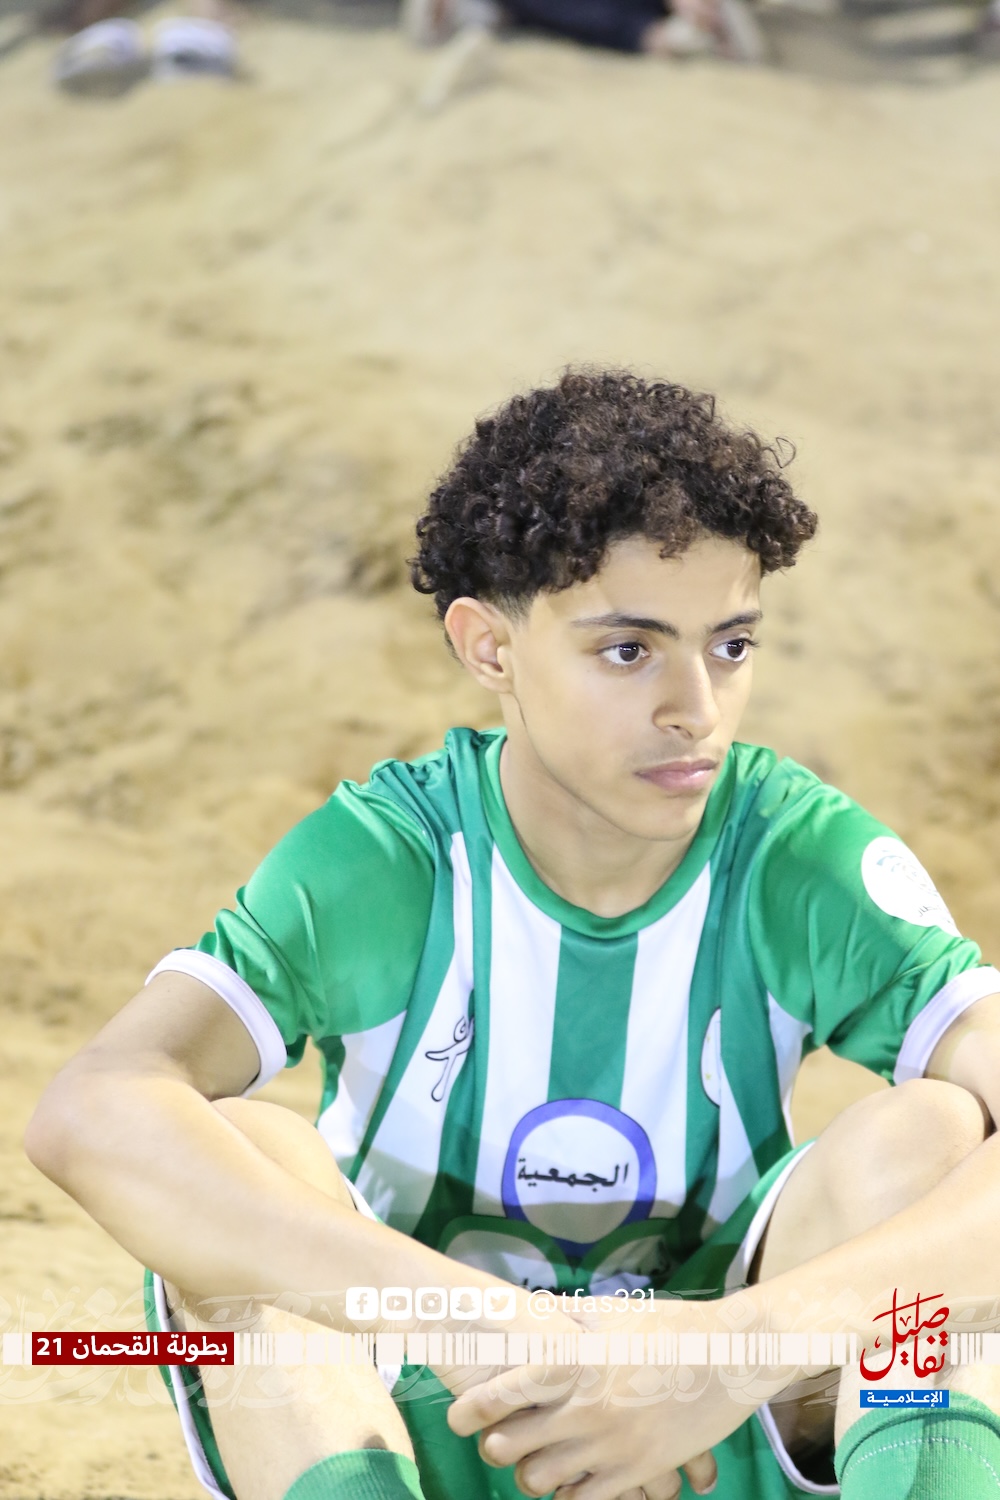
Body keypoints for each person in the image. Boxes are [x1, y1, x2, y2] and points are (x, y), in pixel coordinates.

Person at [25, 368, 1000, 1500]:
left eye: (730, 646)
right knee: (246, 1152)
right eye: (629, 650)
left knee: (929, 1137)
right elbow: (91, 1110)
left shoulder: (797, 858)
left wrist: (727, 1350)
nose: (697, 708)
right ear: (489, 647)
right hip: (433, 1417)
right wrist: (473, 1320)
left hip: (714, 1424)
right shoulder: (391, 859)